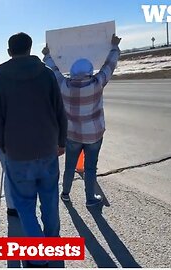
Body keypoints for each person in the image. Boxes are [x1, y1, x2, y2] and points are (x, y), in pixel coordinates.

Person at [0, 32, 67, 268]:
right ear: (30, 48)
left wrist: (3, 145)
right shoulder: (46, 74)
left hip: (17, 153)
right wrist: (61, 141)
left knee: (24, 205)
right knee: (50, 199)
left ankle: (37, 255)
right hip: (47, 149)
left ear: (9, 51)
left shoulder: (0, 77)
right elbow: (59, 110)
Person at [42, 34, 121, 207]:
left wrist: (47, 55)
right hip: (94, 135)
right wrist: (114, 47)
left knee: (70, 166)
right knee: (91, 167)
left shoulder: (64, 86)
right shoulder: (97, 83)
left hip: (73, 135)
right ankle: (90, 198)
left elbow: (54, 70)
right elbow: (110, 65)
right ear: (89, 72)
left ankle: (65, 194)